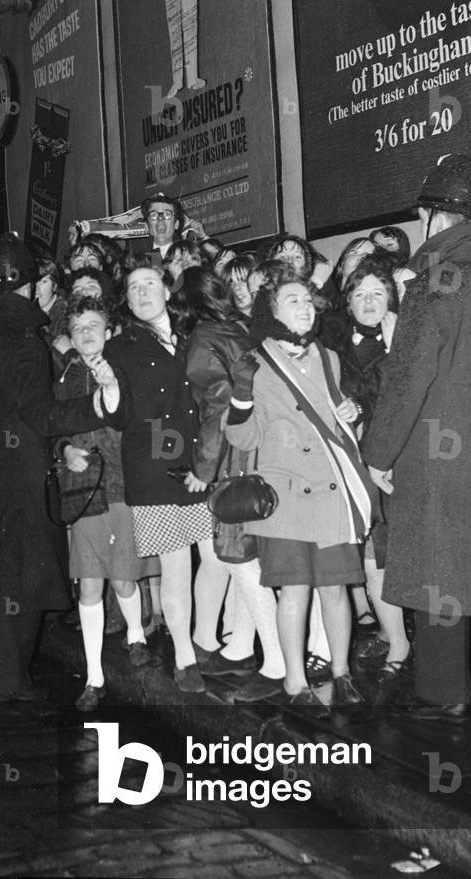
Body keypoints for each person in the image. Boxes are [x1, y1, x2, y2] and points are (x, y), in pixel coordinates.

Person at [363, 154, 471, 721]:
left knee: (442, 571)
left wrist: (379, 453)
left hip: (437, 451)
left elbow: (407, 378)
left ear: (431, 215)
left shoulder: (432, 283)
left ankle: (447, 695)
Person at [0, 234, 114, 702]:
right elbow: (44, 415)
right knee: (23, 576)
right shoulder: (26, 342)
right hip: (21, 472)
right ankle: (6, 681)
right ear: (30, 286)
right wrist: (99, 405)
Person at [224, 268, 371, 716]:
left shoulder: (329, 358)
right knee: (295, 592)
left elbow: (344, 430)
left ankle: (341, 672)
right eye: (293, 300)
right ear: (272, 311)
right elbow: (242, 439)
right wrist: (243, 393)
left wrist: (354, 412)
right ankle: (293, 679)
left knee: (334, 589)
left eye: (308, 300)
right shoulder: (256, 363)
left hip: (329, 493)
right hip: (284, 495)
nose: (304, 307)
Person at [102, 262, 223, 694]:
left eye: (149, 283)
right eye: (133, 287)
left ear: (167, 291)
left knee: (219, 558)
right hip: (153, 465)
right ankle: (186, 657)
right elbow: (117, 414)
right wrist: (107, 388)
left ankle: (206, 638)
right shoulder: (120, 349)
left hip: (202, 460)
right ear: (126, 300)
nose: (142, 292)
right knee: (175, 567)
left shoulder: (195, 334)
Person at [180, 267, 286, 694]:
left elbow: (217, 408)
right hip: (262, 449)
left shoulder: (203, 340)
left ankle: (276, 664)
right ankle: (240, 647)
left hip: (235, 456)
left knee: (238, 555)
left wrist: (202, 469)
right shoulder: (238, 328)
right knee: (242, 555)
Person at [56, 297, 155, 711]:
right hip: (83, 493)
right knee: (90, 584)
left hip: (121, 488)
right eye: (79, 329)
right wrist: (64, 449)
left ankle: (136, 635)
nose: (87, 334)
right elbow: (51, 424)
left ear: (109, 331)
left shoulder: (124, 369)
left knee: (123, 579)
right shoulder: (65, 378)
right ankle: (94, 677)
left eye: (94, 326)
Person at [329, 257, 410, 684]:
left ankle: (400, 640)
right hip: (353, 463)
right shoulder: (335, 347)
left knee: (389, 554)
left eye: (378, 292)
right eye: (360, 293)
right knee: (369, 555)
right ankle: (390, 631)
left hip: (398, 460)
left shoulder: (405, 340)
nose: (369, 301)